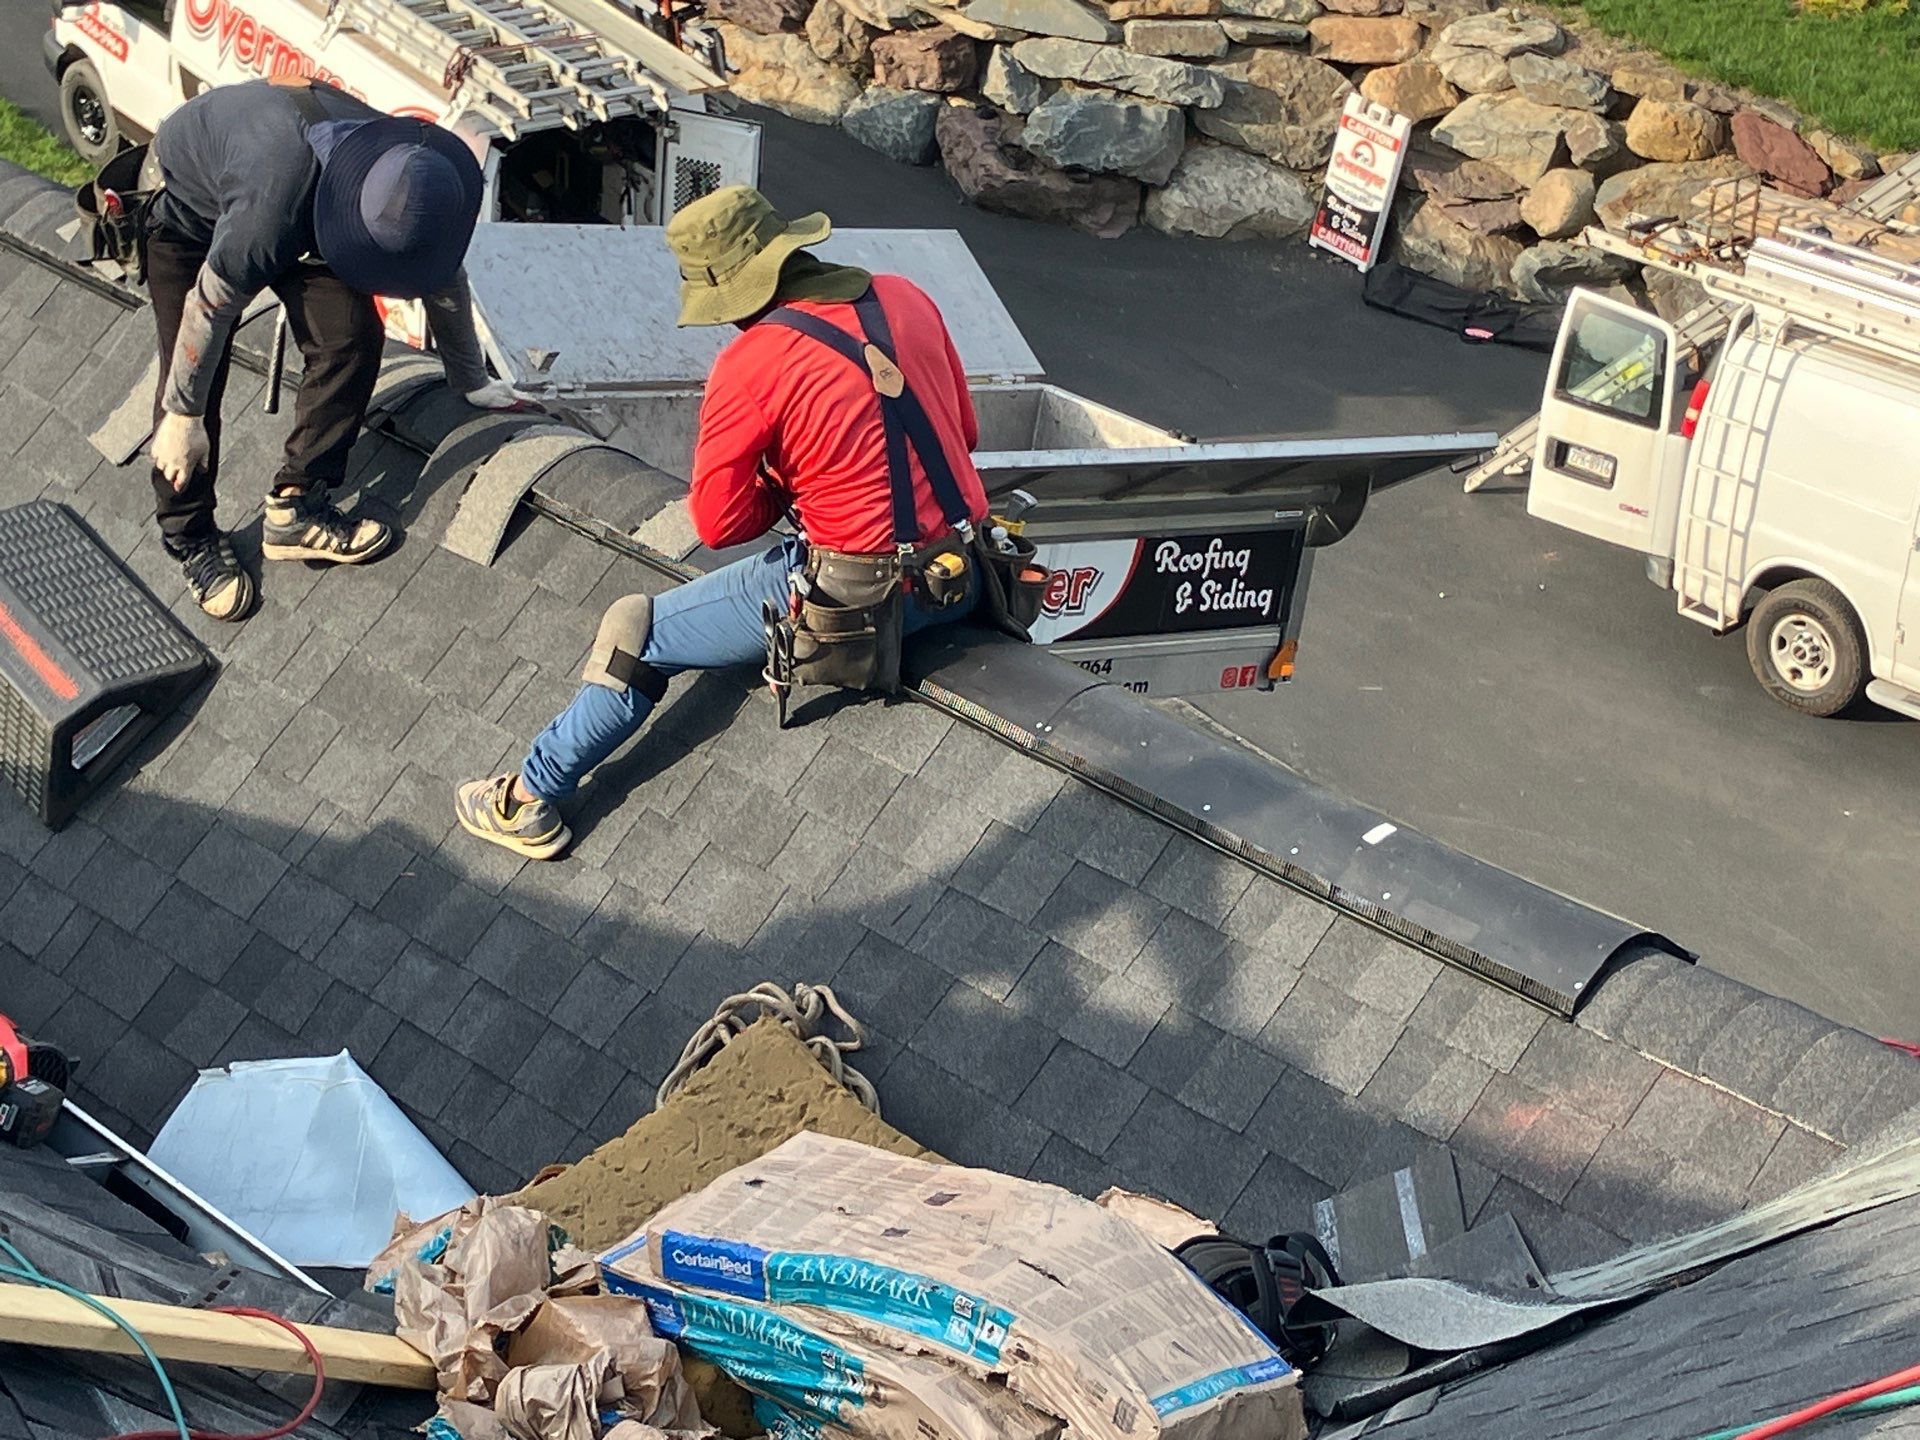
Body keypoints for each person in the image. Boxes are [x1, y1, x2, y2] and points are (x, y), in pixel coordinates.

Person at [456, 186, 989, 860]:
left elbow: (719, 521)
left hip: (863, 603)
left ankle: (532, 798)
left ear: (731, 296)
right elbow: (963, 434)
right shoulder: (904, 295)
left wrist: (782, 483)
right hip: (964, 574)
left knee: (634, 630)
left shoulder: (751, 363)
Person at [143, 78, 519, 621]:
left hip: (308, 200)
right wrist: (183, 413)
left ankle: (296, 506)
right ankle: (189, 536)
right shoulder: (269, 211)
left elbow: (440, 274)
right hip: (190, 216)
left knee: (351, 334)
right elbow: (210, 306)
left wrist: (471, 380)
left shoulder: (401, 174)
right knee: (194, 381)